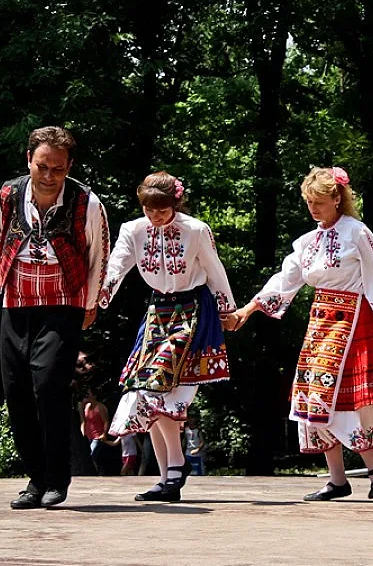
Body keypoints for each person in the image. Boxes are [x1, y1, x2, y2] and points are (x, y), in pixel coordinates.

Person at [232, 166, 373, 501]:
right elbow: (286, 278)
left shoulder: (357, 232)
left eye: (319, 201)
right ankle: (338, 479)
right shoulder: (308, 242)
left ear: (337, 198)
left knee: (334, 395)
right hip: (320, 321)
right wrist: (248, 309)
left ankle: (372, 458)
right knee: (310, 396)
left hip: (352, 319)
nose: (313, 208)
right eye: (309, 202)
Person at [0, 126, 110, 509]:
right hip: (16, 303)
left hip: (63, 304)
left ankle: (57, 478)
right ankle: (34, 480)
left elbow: (98, 255)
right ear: (29, 161)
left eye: (58, 168)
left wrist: (90, 304)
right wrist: (17, 270)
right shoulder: (7, 196)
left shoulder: (86, 202)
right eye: (42, 166)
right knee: (16, 391)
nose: (49, 175)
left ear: (69, 166)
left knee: (49, 385)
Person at [99, 171, 236, 503]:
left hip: (193, 309)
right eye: (149, 210)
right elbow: (117, 265)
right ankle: (168, 477)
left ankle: (176, 466)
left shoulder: (195, 230)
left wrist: (227, 309)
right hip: (157, 311)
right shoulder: (133, 230)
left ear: (176, 203)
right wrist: (100, 297)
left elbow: (214, 269)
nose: (155, 217)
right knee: (144, 390)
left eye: (162, 210)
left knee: (158, 383)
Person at [79, 387, 110, 475]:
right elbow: (84, 421)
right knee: (91, 457)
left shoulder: (100, 407)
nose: (87, 396)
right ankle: (99, 472)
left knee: (91, 455)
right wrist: (82, 432)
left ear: (94, 395)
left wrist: (104, 434)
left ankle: (95, 474)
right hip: (88, 436)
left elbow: (106, 421)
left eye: (89, 394)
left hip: (97, 436)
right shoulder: (87, 406)